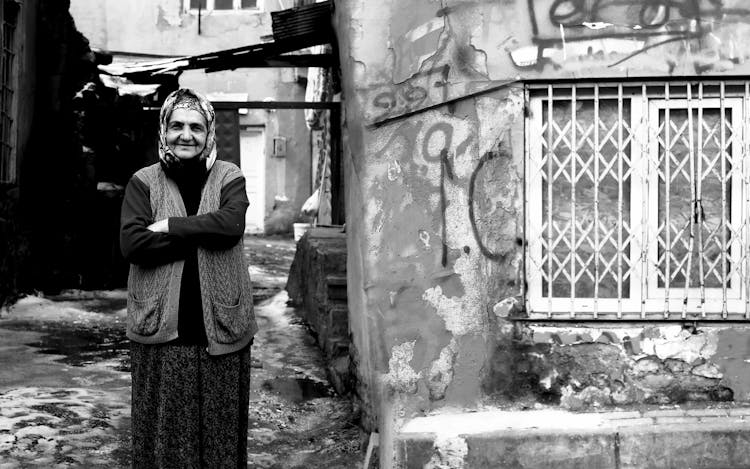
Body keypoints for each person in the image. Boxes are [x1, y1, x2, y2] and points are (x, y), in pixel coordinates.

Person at [119, 88, 257, 468]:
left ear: (209, 132)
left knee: (220, 446)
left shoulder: (229, 175)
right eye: (176, 125)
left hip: (222, 331)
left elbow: (230, 225)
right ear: (163, 129)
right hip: (163, 332)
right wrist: (196, 237)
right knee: (165, 444)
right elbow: (132, 244)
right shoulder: (143, 182)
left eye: (196, 126)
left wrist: (169, 226)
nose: (186, 135)